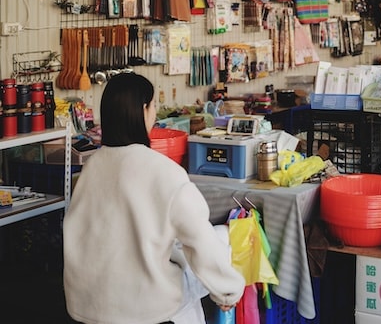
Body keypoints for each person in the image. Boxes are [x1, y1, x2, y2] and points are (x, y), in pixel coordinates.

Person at [63, 72, 245, 324]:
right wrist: (228, 292)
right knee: (219, 241)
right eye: (153, 106)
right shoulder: (164, 172)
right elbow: (201, 243)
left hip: (86, 308)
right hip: (143, 312)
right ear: (144, 110)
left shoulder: (91, 168)